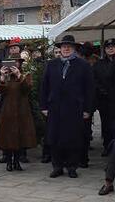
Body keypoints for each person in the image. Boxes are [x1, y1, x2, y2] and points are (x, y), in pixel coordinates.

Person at [40, 34, 94, 178]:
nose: (66, 49)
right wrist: (43, 106)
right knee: (54, 138)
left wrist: (88, 109)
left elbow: (89, 89)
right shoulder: (51, 65)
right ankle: (57, 166)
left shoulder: (83, 66)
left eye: (69, 47)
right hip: (54, 108)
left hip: (75, 108)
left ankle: (72, 167)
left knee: (73, 138)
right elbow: (44, 87)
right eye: (64, 47)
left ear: (74, 49)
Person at [0, 65, 37, 171]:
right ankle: (9, 162)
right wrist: (3, 77)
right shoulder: (5, 77)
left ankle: (17, 161)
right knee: (8, 138)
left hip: (21, 111)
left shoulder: (25, 76)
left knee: (20, 137)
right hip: (7, 111)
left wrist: (19, 75)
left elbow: (27, 89)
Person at [93, 38, 115, 154]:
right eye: (108, 47)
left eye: (113, 46)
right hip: (104, 99)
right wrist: (102, 91)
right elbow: (94, 80)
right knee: (106, 124)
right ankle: (107, 146)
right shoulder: (99, 64)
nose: (110, 48)